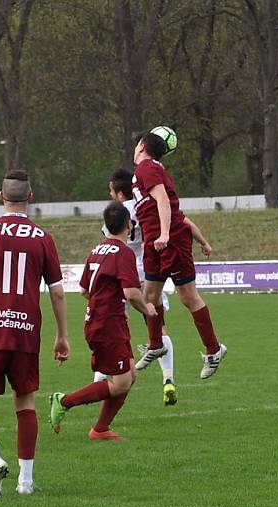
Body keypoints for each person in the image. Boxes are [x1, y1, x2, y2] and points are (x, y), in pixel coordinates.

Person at [0, 169, 69, 498]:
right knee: (25, 403)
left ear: (0, 197)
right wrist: (62, 335)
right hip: (25, 332)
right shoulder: (43, 238)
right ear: (30, 198)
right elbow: (58, 291)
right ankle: (26, 481)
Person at [98, 168, 214, 405]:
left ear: (120, 194)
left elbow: (108, 242)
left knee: (107, 327)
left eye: (111, 192)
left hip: (124, 272)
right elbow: (185, 223)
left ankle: (98, 380)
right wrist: (204, 242)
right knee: (159, 326)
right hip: (151, 269)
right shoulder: (146, 207)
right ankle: (168, 380)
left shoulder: (116, 213)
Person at [49, 202, 156, 440]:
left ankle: (100, 429)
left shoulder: (97, 250)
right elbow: (131, 292)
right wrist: (147, 309)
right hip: (106, 325)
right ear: (129, 225)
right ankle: (63, 401)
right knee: (120, 383)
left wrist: (113, 306)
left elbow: (85, 290)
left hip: (106, 321)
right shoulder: (124, 253)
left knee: (130, 374)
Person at [131, 132, 227, 378]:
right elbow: (169, 209)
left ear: (142, 146)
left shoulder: (147, 167)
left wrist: (163, 234)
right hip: (155, 243)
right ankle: (156, 344)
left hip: (170, 240)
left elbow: (163, 200)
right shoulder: (145, 171)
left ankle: (214, 350)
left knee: (187, 296)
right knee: (149, 295)